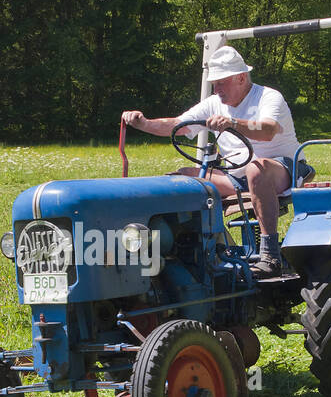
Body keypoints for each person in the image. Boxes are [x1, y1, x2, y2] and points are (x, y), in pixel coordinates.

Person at [121, 45, 307, 277]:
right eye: (214, 83)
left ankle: (271, 255)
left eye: (221, 82)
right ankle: (202, 251)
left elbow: (268, 130)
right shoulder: (213, 103)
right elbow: (178, 125)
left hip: (283, 168)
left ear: (241, 77)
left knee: (256, 169)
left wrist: (233, 123)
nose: (216, 89)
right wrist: (144, 123)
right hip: (236, 176)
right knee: (182, 178)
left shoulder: (268, 97)